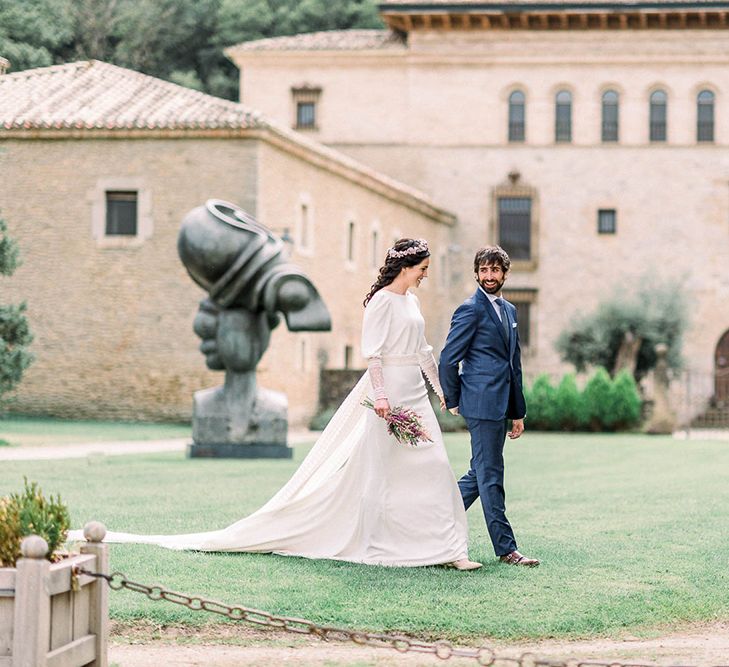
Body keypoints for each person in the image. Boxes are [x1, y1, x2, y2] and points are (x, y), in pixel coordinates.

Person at [69, 238, 481, 570]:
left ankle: (448, 548)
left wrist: (444, 391)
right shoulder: (380, 303)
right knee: (381, 472)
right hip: (389, 392)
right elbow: (373, 355)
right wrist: (384, 399)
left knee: (432, 465)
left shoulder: (412, 302)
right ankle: (382, 541)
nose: (426, 275)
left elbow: (424, 351)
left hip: (416, 392)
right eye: (423, 269)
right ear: (407, 267)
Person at [439, 245, 539, 567]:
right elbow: (448, 359)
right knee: (491, 474)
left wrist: (517, 412)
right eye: (483, 270)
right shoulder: (469, 309)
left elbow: (514, 364)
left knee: (479, 473)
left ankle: (429, 520)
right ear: (476, 273)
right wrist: (454, 400)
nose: (489, 276)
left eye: (495, 270)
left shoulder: (510, 311)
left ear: (505, 274)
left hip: (501, 405)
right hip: (480, 404)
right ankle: (506, 549)